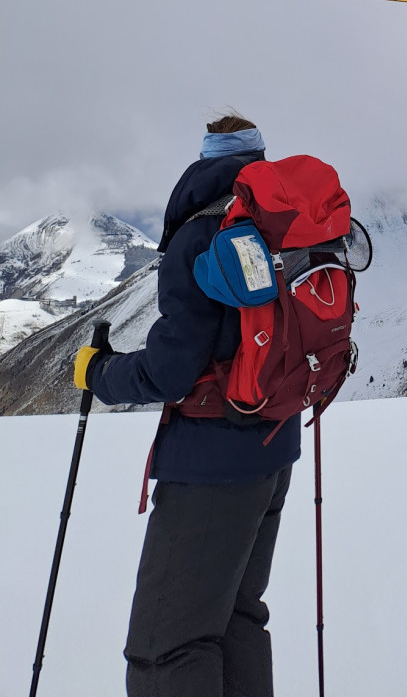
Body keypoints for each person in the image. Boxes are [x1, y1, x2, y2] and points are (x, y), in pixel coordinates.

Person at [73, 115, 298, 697]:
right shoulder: (286, 223)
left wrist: (99, 373)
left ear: (204, 161)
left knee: (165, 649)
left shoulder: (202, 234)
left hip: (210, 464)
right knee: (235, 618)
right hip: (276, 450)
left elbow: (169, 370)